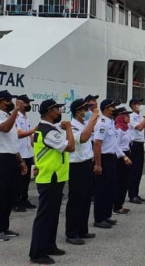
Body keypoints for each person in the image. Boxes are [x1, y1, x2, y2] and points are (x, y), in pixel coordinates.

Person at [28, 99, 76, 264]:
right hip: (50, 178)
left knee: (53, 215)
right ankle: (36, 253)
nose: (60, 112)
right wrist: (69, 128)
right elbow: (70, 147)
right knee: (45, 216)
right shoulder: (48, 131)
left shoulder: (47, 129)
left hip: (54, 177)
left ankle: (49, 245)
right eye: (57, 109)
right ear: (50, 111)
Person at [0, 90, 28, 242]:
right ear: (0, 101)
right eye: (8, 101)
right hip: (0, 159)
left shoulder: (9, 117)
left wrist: (21, 160)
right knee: (0, 195)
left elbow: (13, 141)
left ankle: (4, 227)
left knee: (10, 195)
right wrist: (16, 110)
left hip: (12, 158)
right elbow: (4, 128)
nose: (11, 104)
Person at [65, 96, 99, 245]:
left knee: (85, 199)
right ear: (77, 111)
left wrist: (92, 120)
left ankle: (82, 229)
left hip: (86, 164)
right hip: (76, 166)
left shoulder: (84, 123)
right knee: (76, 200)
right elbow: (83, 139)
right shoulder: (72, 126)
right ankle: (72, 233)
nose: (87, 111)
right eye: (85, 109)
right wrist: (93, 119)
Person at [93, 99, 131, 228]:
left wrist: (122, 156)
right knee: (101, 190)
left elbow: (114, 144)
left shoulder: (111, 123)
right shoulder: (102, 123)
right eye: (112, 107)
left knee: (110, 188)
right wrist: (98, 164)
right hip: (103, 158)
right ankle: (99, 218)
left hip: (112, 158)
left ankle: (106, 215)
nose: (114, 109)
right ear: (105, 109)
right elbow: (97, 143)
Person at [14, 94, 37, 212]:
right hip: (19, 153)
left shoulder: (26, 117)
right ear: (19, 103)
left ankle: (24, 199)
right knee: (18, 179)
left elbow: (30, 136)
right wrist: (33, 130)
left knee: (26, 179)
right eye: (26, 103)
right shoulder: (15, 117)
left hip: (28, 152)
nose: (28, 105)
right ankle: (16, 202)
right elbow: (18, 134)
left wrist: (34, 145)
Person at [128, 98, 145, 204]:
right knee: (134, 171)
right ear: (133, 106)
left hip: (140, 144)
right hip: (134, 145)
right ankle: (132, 195)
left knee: (139, 170)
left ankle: (136, 194)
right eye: (138, 104)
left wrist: (144, 117)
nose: (140, 105)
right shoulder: (131, 117)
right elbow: (140, 127)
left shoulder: (139, 116)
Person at [113, 107, 134, 215]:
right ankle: (117, 206)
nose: (129, 117)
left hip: (127, 153)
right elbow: (115, 146)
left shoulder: (126, 128)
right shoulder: (118, 130)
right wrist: (124, 157)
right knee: (120, 182)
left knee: (125, 182)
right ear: (121, 117)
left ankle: (120, 204)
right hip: (121, 157)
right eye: (127, 115)